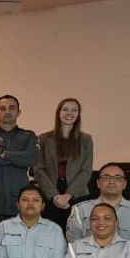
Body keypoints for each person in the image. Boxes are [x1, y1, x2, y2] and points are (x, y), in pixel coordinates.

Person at [65, 162, 130, 252]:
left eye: (117, 178)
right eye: (106, 177)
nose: (111, 181)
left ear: (124, 184)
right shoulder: (80, 209)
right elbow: (74, 245)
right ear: (98, 183)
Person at [32, 98, 93, 229]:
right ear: (58, 113)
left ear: (78, 114)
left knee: (78, 235)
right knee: (52, 234)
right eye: (65, 109)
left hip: (77, 194)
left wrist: (68, 195)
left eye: (74, 110)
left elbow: (86, 170)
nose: (69, 113)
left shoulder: (86, 139)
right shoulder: (43, 139)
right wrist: (54, 196)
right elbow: (38, 169)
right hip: (50, 194)